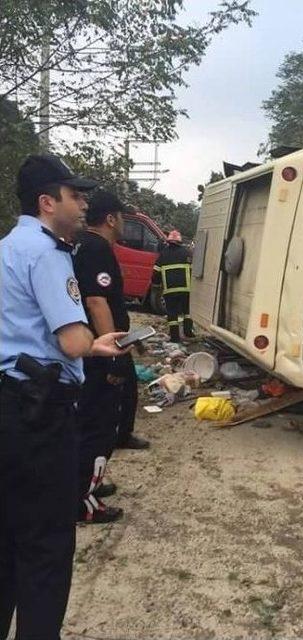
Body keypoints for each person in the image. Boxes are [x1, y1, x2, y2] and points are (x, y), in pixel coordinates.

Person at [0, 154, 131, 638]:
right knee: (46, 547)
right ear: (46, 202)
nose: (83, 205)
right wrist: (97, 344)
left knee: (7, 541)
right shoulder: (48, 253)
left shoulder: (7, 248)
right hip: (41, 414)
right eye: (75, 196)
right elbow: (72, 340)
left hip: (9, 405)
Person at [73, 189, 148, 524]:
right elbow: (97, 302)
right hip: (101, 352)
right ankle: (84, 503)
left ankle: (89, 483)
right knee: (99, 426)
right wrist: (115, 356)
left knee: (92, 422)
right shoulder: (97, 248)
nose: (122, 224)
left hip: (90, 348)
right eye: (121, 217)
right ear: (111, 218)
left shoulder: (79, 245)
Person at [152, 229, 194, 343]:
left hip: (170, 289)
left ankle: (175, 337)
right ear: (180, 242)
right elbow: (193, 271)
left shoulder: (163, 254)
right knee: (187, 312)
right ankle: (188, 332)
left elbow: (156, 272)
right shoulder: (187, 253)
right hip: (186, 289)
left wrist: (155, 284)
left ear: (169, 241)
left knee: (172, 313)